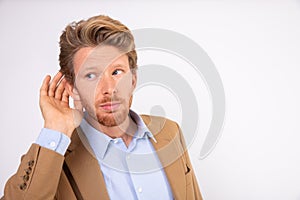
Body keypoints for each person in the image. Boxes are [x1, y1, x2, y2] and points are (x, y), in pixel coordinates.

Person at [1, 15, 202, 200]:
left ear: (133, 79)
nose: (109, 89)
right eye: (91, 75)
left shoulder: (169, 131)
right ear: (72, 88)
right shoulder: (56, 155)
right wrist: (55, 129)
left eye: (116, 72)